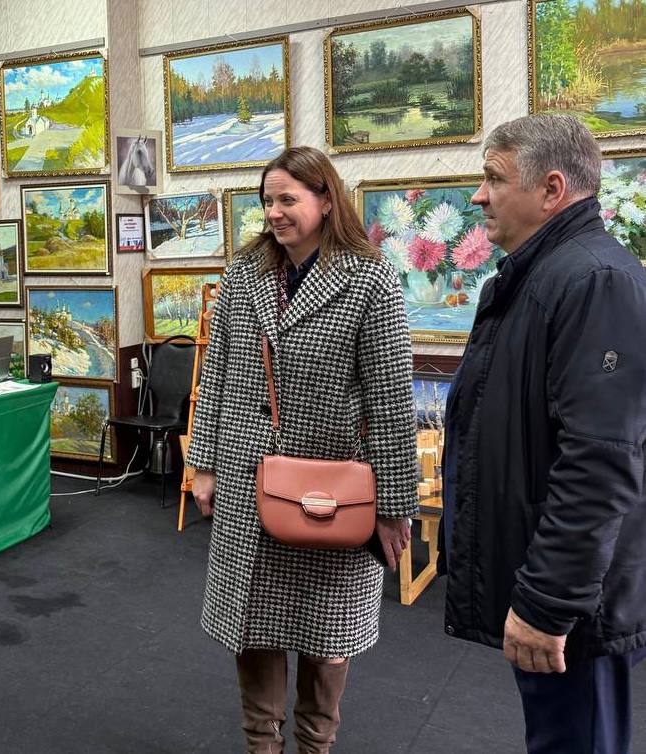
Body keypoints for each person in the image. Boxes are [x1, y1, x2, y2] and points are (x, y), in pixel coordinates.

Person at [187, 146, 417, 753]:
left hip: (331, 490)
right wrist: (202, 465)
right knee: (252, 627)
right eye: (267, 200)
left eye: (287, 199)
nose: (274, 212)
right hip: (247, 479)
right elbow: (217, 372)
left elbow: (392, 402)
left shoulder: (369, 279)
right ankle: (261, 744)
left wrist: (395, 507)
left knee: (327, 634)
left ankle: (316, 745)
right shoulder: (245, 274)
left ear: (326, 200)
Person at [441, 114, 646, 754]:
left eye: (494, 178)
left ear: (552, 189)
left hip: (576, 602)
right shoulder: (542, 276)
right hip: (557, 584)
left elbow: (600, 462)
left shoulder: (593, 281)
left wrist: (549, 601)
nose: (479, 196)